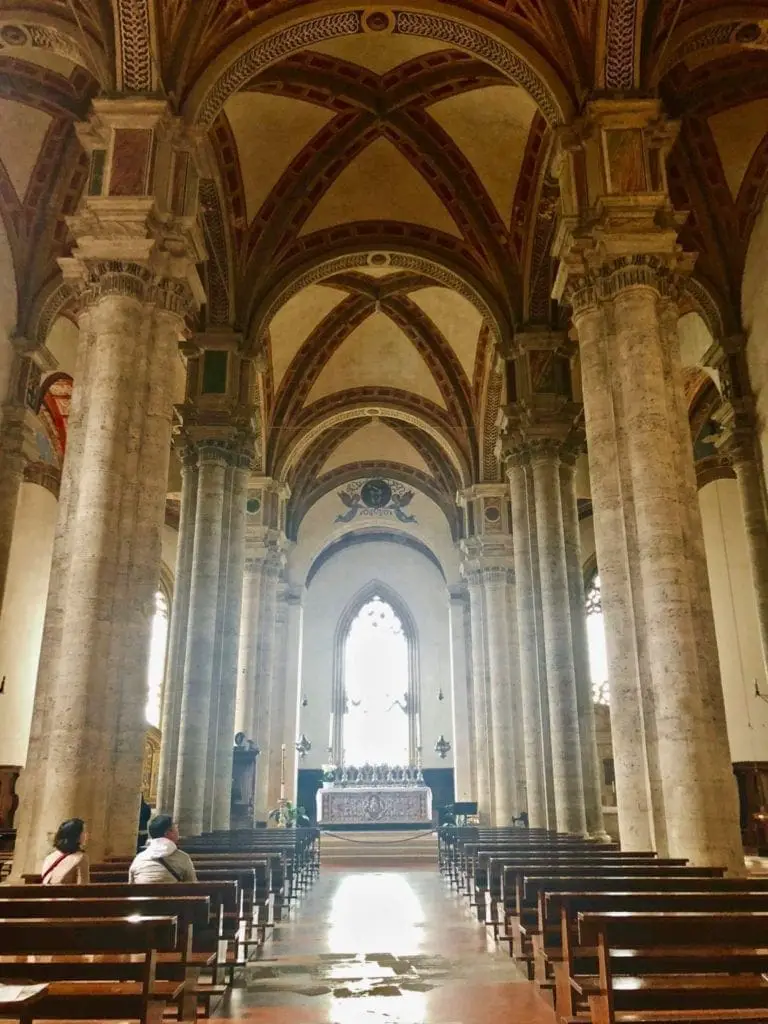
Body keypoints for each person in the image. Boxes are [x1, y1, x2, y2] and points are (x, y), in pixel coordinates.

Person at [128, 814, 197, 883]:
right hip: (172, 893)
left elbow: (131, 885)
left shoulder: (139, 858)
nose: (178, 831)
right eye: (176, 828)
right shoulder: (183, 858)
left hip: (144, 893)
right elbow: (192, 885)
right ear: (168, 833)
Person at [41, 818, 90, 884]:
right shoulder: (81, 858)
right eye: (84, 832)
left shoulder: (49, 857)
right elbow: (83, 887)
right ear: (75, 835)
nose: (87, 835)